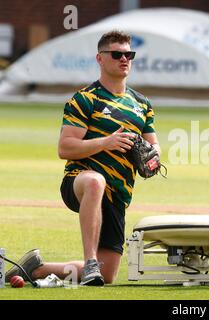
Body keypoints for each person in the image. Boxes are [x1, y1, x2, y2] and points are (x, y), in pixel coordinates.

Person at [5, 30, 160, 286]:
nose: (124, 59)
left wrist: (153, 157)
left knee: (107, 274)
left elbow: (154, 145)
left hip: (118, 194)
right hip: (79, 181)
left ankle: (36, 269)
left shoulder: (141, 103)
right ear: (100, 59)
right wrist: (106, 142)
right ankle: (89, 262)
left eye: (129, 54)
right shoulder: (85, 99)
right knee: (95, 182)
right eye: (117, 54)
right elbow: (65, 148)